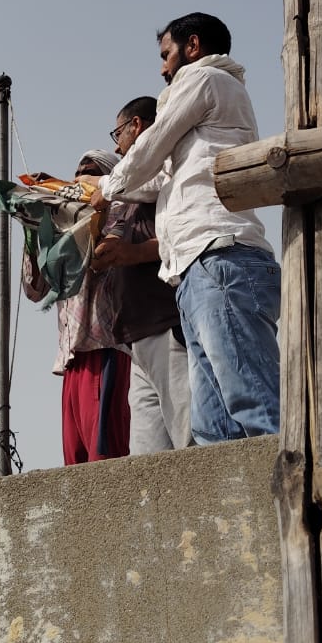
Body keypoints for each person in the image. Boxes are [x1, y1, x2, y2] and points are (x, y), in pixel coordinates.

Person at [82, 13, 280, 445]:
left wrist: (109, 185)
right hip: (196, 267)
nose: (162, 67)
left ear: (192, 46)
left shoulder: (203, 78)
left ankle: (297, 507)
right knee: (213, 427)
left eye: (166, 54)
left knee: (251, 403)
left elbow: (150, 146)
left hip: (220, 256)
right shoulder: (207, 101)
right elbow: (155, 181)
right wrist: (93, 189)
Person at [92, 97, 191, 454]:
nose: (116, 146)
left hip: (164, 322)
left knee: (190, 437)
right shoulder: (129, 187)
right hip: (136, 336)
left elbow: (182, 235)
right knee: (148, 461)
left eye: (117, 133)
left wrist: (132, 253)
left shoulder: (165, 173)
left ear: (137, 126)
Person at [21, 149, 132, 464]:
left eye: (92, 170)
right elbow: (34, 289)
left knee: (104, 461)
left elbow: (103, 255)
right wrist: (33, 227)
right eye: (78, 170)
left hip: (103, 348)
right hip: (71, 359)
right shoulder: (62, 226)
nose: (81, 174)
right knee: (76, 465)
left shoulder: (118, 211)